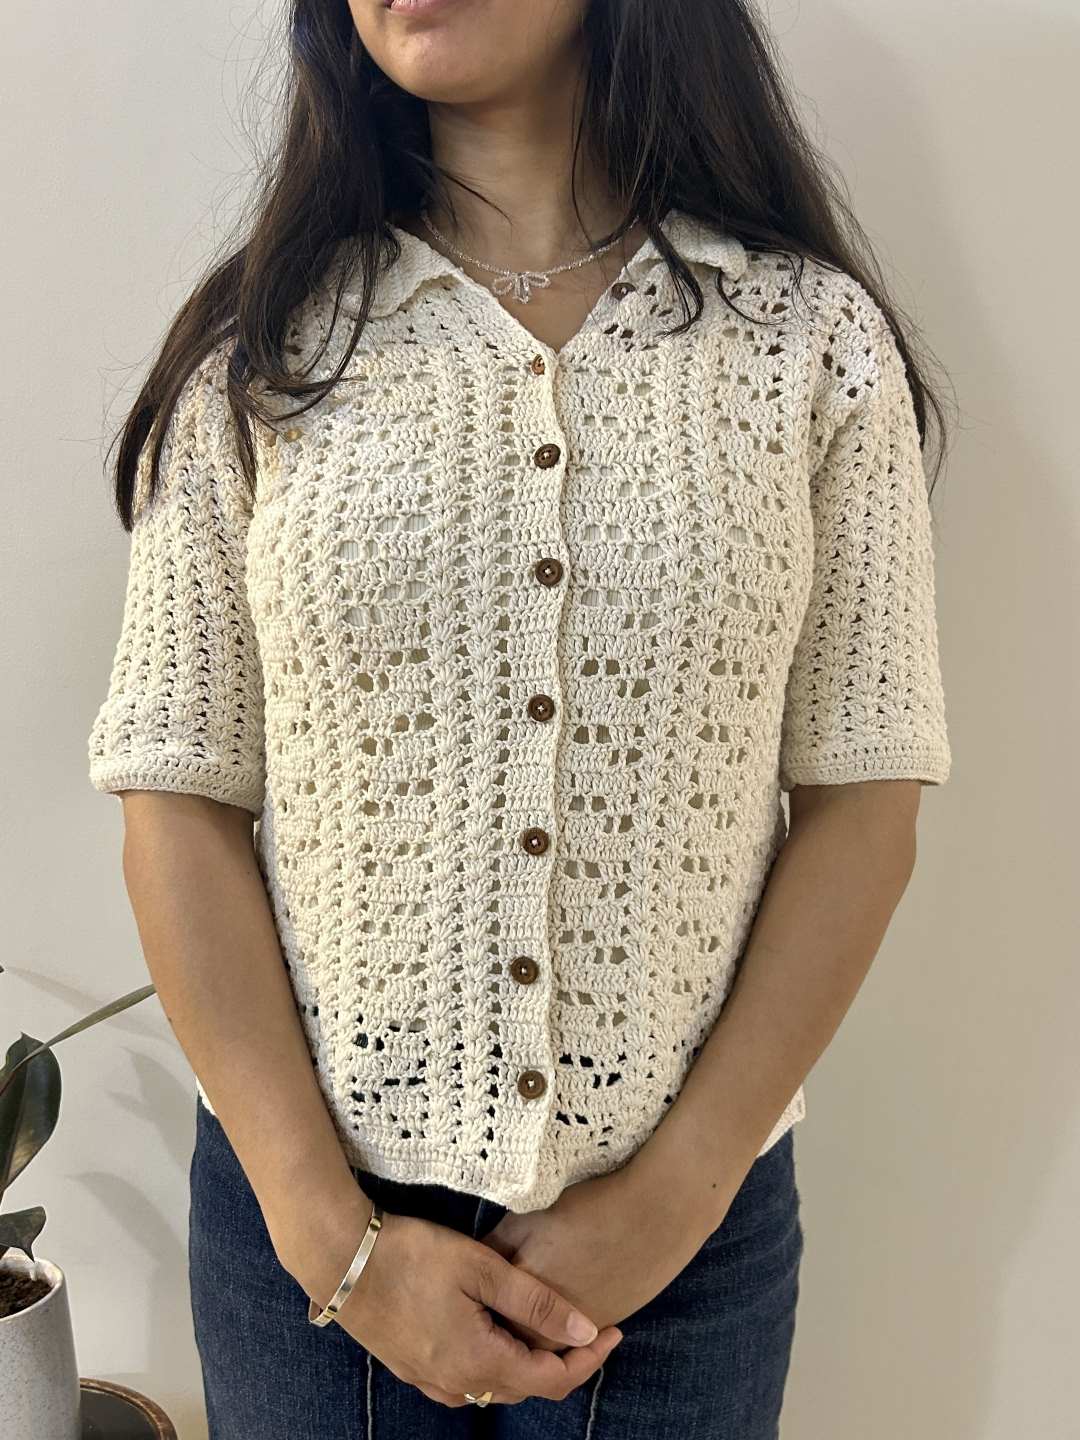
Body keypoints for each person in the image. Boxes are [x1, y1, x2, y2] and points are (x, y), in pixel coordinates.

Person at [85, 0, 954, 1435]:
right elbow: (175, 796)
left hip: (685, 1250)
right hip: (308, 1242)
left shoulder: (807, 344)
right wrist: (328, 1233)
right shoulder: (266, 344)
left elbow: (866, 800)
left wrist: (679, 1193)